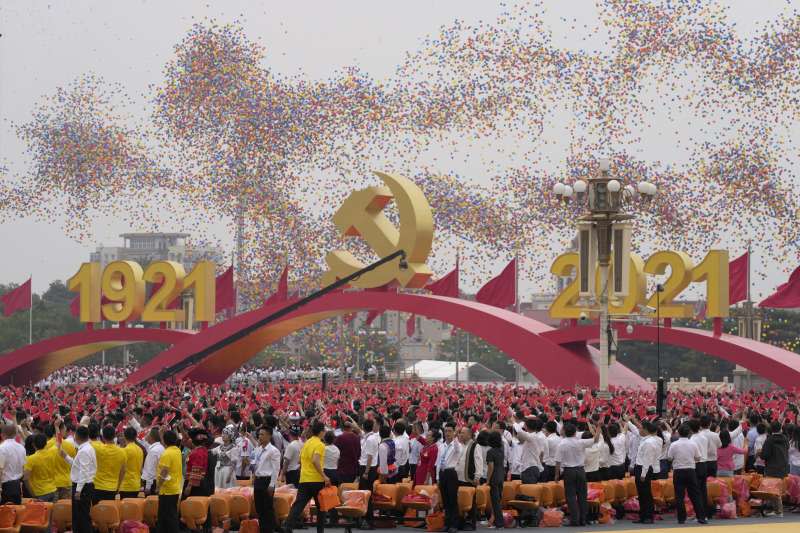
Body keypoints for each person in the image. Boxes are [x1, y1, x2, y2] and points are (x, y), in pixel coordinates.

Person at [284, 420, 330, 533]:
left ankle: (287, 527)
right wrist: (324, 476)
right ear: (321, 432)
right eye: (324, 430)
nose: (324, 432)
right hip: (317, 480)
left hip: (304, 479)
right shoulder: (320, 444)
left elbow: (300, 461)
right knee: (321, 507)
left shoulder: (306, 443)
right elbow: (315, 460)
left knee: (298, 506)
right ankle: (320, 531)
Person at [554, 422, 599, 527]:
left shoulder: (562, 444)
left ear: (564, 431)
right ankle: (583, 519)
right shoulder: (580, 442)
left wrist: (556, 475)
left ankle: (574, 520)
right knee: (582, 496)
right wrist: (599, 427)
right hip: (581, 470)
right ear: (575, 432)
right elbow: (596, 439)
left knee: (570, 496)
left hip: (569, 471)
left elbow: (558, 462)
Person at [667, 424, 707, 524]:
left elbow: (669, 458)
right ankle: (701, 517)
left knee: (679, 496)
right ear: (689, 433)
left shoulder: (674, 444)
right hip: (690, 471)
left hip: (678, 471)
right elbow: (698, 458)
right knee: (695, 495)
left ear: (678, 433)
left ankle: (681, 518)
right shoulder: (693, 444)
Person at [60, 426, 96, 533]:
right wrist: (65, 456)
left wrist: (78, 490)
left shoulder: (85, 451)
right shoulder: (86, 448)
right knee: (79, 516)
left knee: (81, 517)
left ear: (77, 436)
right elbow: (78, 466)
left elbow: (83, 472)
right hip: (83, 485)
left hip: (83, 487)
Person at [252, 426, 281, 533]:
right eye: (259, 434)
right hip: (258, 480)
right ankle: (263, 528)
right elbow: (256, 464)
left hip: (267, 481)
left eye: (262, 434)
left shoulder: (274, 451)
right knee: (259, 507)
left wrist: (272, 485)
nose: (260, 436)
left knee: (267, 507)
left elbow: (276, 469)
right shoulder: (258, 449)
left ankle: (269, 529)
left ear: (269, 436)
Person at [633, 421, 661, 524]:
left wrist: (643, 474)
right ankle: (643, 515)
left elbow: (647, 460)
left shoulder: (649, 442)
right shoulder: (646, 440)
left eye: (641, 428)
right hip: (640, 467)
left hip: (644, 468)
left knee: (646, 494)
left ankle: (648, 516)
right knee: (641, 494)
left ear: (645, 430)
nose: (639, 430)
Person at [760, 421, 789, 518]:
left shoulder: (769, 440)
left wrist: (759, 453)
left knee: (772, 489)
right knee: (778, 489)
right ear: (780, 428)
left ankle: (778, 511)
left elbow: (765, 455)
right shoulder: (785, 439)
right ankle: (776, 510)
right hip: (783, 467)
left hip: (772, 468)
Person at [437, 424, 463, 533]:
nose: (447, 433)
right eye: (445, 431)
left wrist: (456, 437)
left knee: (452, 500)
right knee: (445, 500)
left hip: (451, 473)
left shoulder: (457, 445)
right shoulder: (441, 445)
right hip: (442, 473)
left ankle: (454, 524)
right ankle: (447, 523)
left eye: (449, 431)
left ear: (453, 432)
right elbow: (438, 462)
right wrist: (437, 477)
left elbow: (457, 450)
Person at [157, 430, 183, 533]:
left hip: (166, 490)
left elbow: (164, 473)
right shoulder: (177, 450)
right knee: (171, 516)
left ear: (164, 440)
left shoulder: (167, 453)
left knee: (166, 518)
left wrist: (158, 486)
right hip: (175, 488)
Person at [93, 424, 126, 503]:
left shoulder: (97, 449)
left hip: (97, 486)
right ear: (114, 436)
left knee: (96, 512)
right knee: (108, 512)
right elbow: (123, 471)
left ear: (103, 437)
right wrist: (118, 487)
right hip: (112, 488)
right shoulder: (122, 452)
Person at [358, 419, 380, 528]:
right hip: (366, 467)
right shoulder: (368, 437)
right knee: (364, 494)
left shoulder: (371, 439)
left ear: (363, 426)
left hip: (368, 469)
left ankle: (369, 520)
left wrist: (366, 472)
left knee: (367, 495)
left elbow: (370, 457)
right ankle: (365, 518)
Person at [23, 433, 57, 502]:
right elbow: (59, 442)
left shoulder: (30, 459)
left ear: (33, 445)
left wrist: (32, 494)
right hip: (53, 490)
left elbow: (26, 478)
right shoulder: (53, 453)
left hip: (40, 493)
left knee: (40, 513)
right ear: (46, 443)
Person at [0, 423, 26, 504]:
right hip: (18, 485)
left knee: (6, 513)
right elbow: (23, 467)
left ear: (2, 435)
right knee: (16, 512)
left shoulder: (2, 448)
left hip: (6, 487)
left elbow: (0, 470)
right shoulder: (21, 448)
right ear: (15, 434)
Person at [485, 431, 505, 530]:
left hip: (494, 478)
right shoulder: (501, 450)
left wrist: (488, 479)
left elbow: (491, 467)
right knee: (498, 500)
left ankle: (499, 523)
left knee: (495, 501)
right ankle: (499, 521)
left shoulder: (490, 452)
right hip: (501, 476)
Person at [516, 418, 545, 484]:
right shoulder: (534, 436)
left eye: (524, 425)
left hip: (530, 469)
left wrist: (512, 421)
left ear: (526, 426)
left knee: (528, 492)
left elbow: (520, 432)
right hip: (530, 468)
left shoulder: (532, 436)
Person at [120, 427, 144, 499]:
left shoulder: (125, 450)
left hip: (126, 485)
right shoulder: (140, 449)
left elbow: (121, 468)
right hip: (136, 484)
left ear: (124, 436)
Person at [141, 427, 165, 495]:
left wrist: (148, 486)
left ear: (151, 437)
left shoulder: (154, 451)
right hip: (155, 481)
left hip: (152, 483)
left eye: (147, 434)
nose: (146, 436)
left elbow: (150, 469)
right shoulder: (160, 447)